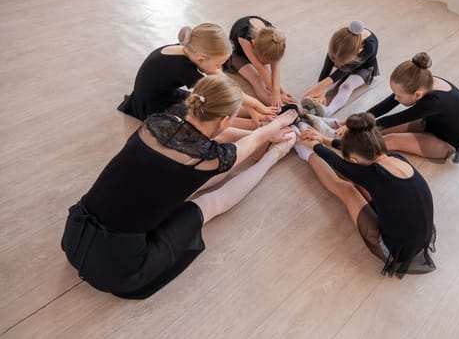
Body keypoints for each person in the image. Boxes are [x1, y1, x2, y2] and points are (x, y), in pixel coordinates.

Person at [63, 75, 297, 299]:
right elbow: (248, 143)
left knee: (182, 179)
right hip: (119, 268)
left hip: (74, 236)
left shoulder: (158, 122)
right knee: (206, 205)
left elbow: (218, 137)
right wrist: (273, 129)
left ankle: (274, 150)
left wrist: (263, 133)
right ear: (225, 120)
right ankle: (275, 156)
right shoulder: (208, 157)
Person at [294, 112, 436, 278]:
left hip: (396, 250)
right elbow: (350, 164)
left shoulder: (372, 175)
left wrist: (314, 146)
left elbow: (339, 164)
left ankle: (304, 152)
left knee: (347, 189)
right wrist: (323, 140)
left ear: (353, 160)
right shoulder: (396, 158)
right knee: (358, 182)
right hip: (419, 235)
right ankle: (308, 145)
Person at [117, 23, 275, 126]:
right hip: (153, 106)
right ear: (201, 59)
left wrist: (253, 107)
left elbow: (221, 78)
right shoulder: (183, 69)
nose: (220, 68)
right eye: (218, 63)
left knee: (218, 104)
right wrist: (257, 105)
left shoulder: (189, 49)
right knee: (207, 117)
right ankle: (258, 124)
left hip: (166, 94)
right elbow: (224, 91)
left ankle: (258, 116)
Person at [364, 52, 459, 163]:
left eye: (399, 96)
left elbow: (397, 119)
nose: (395, 98)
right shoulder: (422, 81)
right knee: (376, 131)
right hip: (429, 124)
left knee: (391, 140)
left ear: (417, 95)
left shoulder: (433, 102)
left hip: (445, 142)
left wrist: (360, 125)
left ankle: (351, 151)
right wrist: (360, 118)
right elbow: (388, 103)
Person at [302, 20, 379, 117]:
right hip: (345, 65)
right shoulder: (340, 42)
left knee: (347, 86)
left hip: (363, 68)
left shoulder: (369, 46)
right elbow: (328, 66)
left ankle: (329, 111)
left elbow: (346, 69)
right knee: (330, 82)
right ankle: (315, 98)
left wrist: (320, 86)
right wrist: (320, 87)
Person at [226, 15, 297, 108]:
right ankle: (278, 107)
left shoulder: (275, 39)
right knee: (257, 80)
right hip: (237, 54)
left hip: (260, 49)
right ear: (253, 43)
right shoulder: (244, 37)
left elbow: (275, 69)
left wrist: (281, 92)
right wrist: (276, 95)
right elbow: (259, 67)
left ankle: (285, 101)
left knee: (271, 80)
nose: (266, 64)